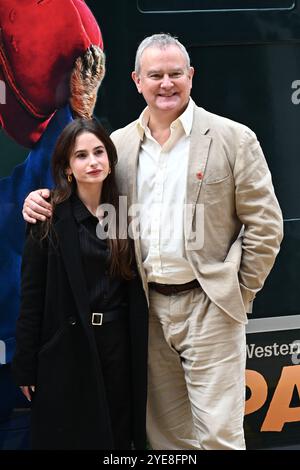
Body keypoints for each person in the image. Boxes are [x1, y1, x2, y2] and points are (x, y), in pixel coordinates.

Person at [22, 33, 283, 450]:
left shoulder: (234, 139)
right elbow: (87, 197)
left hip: (211, 308)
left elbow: (266, 226)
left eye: (175, 74)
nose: (166, 83)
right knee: (164, 439)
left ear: (191, 77)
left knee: (219, 437)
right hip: (145, 312)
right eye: (155, 75)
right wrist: (43, 199)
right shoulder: (119, 146)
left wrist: (238, 291)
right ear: (136, 80)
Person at [13, 118, 148, 450]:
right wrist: (26, 366)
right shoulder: (48, 217)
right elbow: (31, 298)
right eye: (81, 155)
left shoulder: (125, 214)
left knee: (118, 438)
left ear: (110, 158)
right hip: (69, 348)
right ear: (68, 167)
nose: (93, 162)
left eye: (99, 152)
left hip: (119, 346)